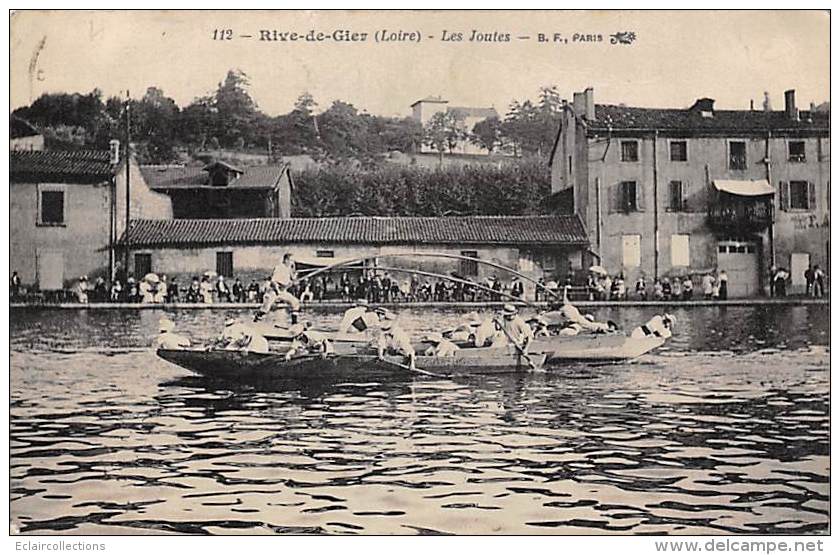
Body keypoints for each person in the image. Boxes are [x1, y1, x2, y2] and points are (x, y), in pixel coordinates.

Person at [255, 253, 301, 323]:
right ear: (286, 260)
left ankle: (294, 324)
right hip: (273, 291)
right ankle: (256, 319)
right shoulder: (279, 268)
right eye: (291, 260)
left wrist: (295, 277)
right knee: (265, 309)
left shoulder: (288, 269)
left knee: (295, 303)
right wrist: (278, 291)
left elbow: (293, 279)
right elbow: (273, 281)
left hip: (282, 291)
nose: (293, 262)